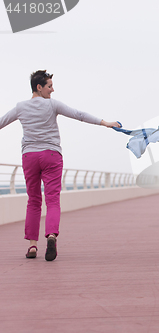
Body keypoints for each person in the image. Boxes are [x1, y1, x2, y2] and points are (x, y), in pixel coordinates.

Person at [0, 70, 120, 261]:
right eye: (49, 86)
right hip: (51, 155)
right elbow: (78, 114)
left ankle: (32, 246)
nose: (52, 90)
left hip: (29, 156)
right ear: (39, 87)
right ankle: (52, 236)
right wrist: (104, 123)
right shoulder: (52, 104)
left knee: (33, 200)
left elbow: (1, 122)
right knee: (52, 199)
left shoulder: (20, 107)